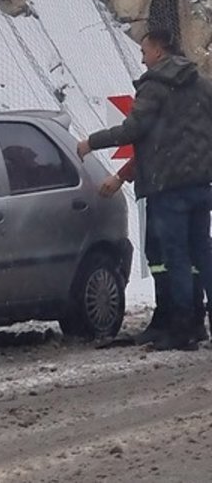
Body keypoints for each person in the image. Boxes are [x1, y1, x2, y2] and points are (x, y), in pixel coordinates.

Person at [80, 29, 212, 350]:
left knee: (175, 257)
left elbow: (133, 129)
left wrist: (91, 142)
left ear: (158, 50)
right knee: (204, 254)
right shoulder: (202, 84)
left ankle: (181, 328)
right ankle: (198, 323)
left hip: (168, 188)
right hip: (200, 185)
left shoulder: (155, 86)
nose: (141, 56)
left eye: (144, 50)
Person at [101, 159, 208, 345]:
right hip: (193, 184)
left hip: (166, 187)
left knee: (167, 255)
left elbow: (149, 142)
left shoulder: (166, 135)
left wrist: (121, 175)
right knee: (195, 254)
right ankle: (189, 320)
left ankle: (175, 321)